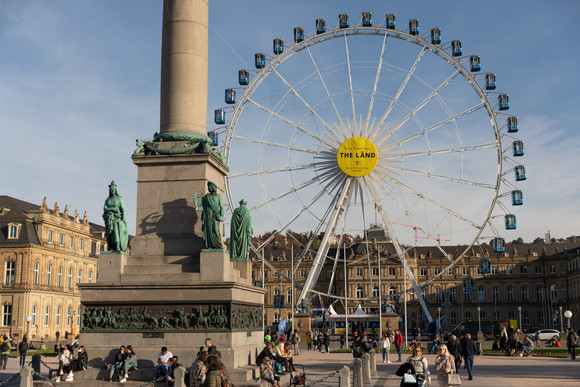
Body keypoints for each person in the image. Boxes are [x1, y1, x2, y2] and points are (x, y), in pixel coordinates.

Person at [102, 181, 129, 252]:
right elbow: (105, 208)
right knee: (109, 233)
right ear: (109, 190)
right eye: (111, 189)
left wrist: (123, 219)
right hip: (109, 219)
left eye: (114, 189)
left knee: (115, 231)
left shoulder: (119, 199)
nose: (112, 190)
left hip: (117, 218)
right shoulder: (107, 200)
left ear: (116, 190)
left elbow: (123, 209)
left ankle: (117, 245)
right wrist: (113, 209)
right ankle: (110, 246)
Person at [201, 181, 224, 249]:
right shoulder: (206, 197)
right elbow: (203, 207)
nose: (209, 188)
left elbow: (222, 207)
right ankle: (209, 245)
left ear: (214, 187)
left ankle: (218, 245)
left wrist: (221, 216)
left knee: (215, 230)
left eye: (211, 186)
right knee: (209, 230)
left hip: (215, 215)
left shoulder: (218, 197)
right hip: (208, 215)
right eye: (208, 186)